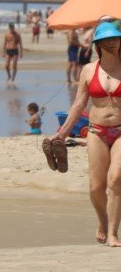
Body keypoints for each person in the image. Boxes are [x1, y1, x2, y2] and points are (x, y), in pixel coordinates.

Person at [49, 21, 121, 246]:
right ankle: (102, 220)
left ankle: (113, 233)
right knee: (96, 187)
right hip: (96, 131)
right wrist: (61, 134)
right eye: (106, 39)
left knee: (116, 179)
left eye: (115, 38)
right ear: (98, 44)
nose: (111, 42)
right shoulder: (89, 70)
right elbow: (78, 105)